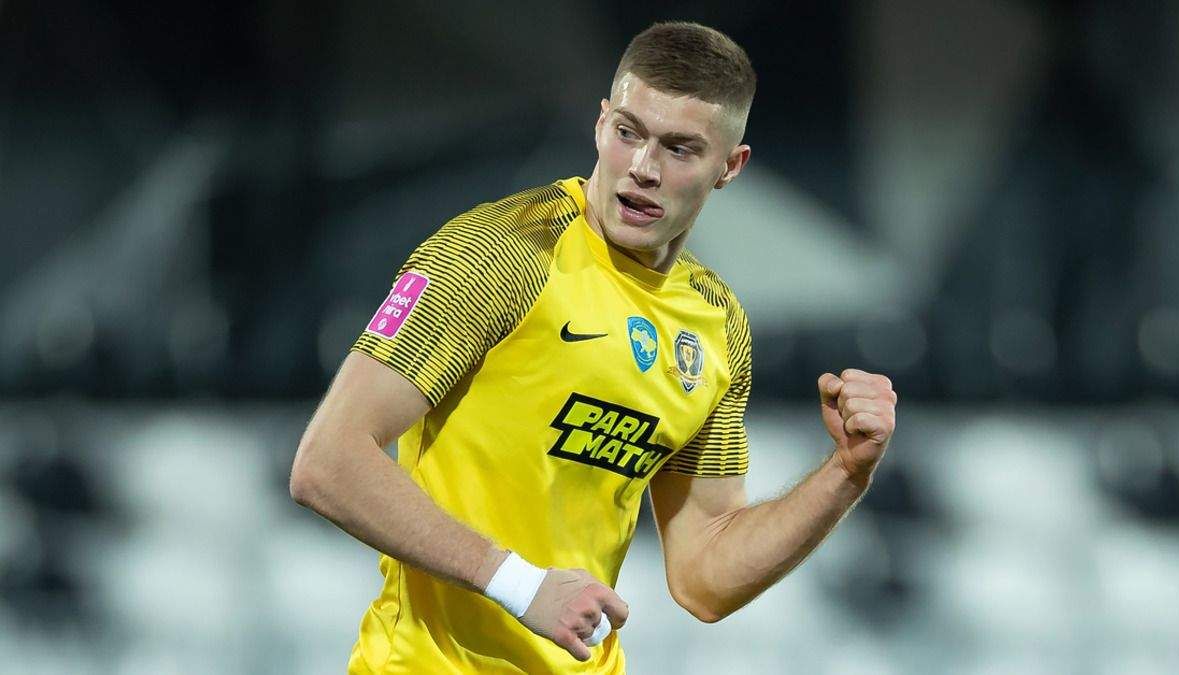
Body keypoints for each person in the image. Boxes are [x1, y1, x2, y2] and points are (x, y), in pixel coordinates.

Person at [289, 20, 898, 675]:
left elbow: (706, 575)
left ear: (730, 166)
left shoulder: (717, 324)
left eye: (680, 149)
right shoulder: (500, 255)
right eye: (628, 132)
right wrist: (519, 583)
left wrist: (846, 472)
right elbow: (327, 460)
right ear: (601, 121)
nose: (643, 168)